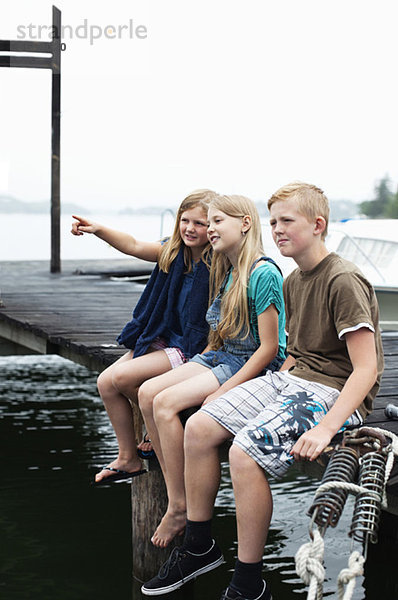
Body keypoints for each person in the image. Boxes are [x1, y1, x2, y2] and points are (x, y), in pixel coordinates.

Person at [141, 182, 384, 600]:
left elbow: (366, 369)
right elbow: (295, 353)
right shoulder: (294, 280)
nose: (277, 230)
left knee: (245, 449)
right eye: (273, 222)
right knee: (199, 426)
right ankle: (200, 545)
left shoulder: (343, 280)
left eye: (287, 221)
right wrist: (259, 388)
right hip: (292, 378)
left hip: (333, 392)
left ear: (318, 224)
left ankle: (249, 583)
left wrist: (327, 428)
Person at [137, 193, 286, 548]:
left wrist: (224, 389)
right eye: (211, 222)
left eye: (218, 222)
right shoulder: (227, 266)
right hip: (219, 354)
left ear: (245, 224)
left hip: (246, 364)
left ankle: (178, 506)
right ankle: (178, 492)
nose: (210, 230)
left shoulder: (263, 273)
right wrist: (198, 363)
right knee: (146, 393)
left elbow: (270, 349)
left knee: (166, 404)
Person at [71, 189, 216, 484]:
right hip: (162, 335)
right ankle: (128, 457)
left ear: (213, 226)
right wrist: (98, 229)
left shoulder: (220, 263)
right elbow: (133, 245)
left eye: (199, 223)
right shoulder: (173, 252)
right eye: (184, 220)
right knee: (105, 382)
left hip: (191, 346)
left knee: (123, 379)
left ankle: (166, 419)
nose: (189, 228)